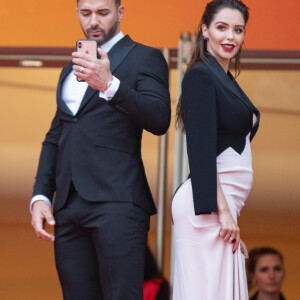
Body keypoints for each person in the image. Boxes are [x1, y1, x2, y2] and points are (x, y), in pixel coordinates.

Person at [30, 0, 171, 299]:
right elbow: (56, 137)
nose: (93, 20)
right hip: (68, 207)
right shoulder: (70, 69)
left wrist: (109, 84)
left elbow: (160, 118)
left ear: (120, 13)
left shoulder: (145, 57)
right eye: (86, 13)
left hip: (118, 201)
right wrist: (41, 195)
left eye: (103, 13)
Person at [172, 0, 260, 299]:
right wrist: (223, 212)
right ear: (205, 31)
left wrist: (229, 216)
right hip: (207, 207)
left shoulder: (223, 80)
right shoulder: (200, 75)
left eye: (238, 30)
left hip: (219, 210)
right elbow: (200, 150)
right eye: (221, 27)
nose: (230, 37)